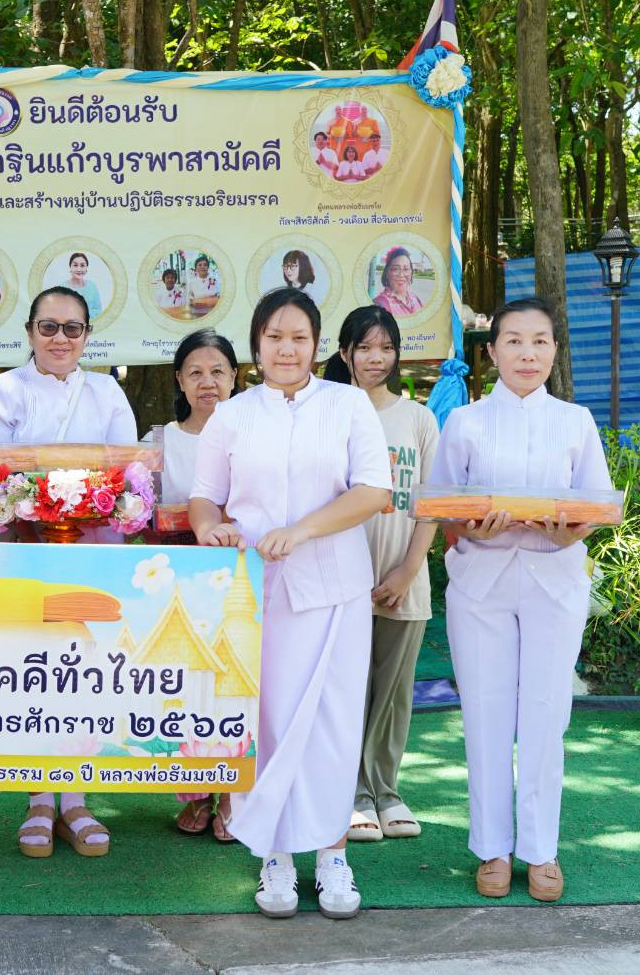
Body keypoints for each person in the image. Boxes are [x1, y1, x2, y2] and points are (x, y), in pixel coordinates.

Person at [189, 286, 391, 920]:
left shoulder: (348, 404)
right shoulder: (233, 415)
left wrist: (302, 531)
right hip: (256, 594)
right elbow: (204, 496)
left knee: (331, 724)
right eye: (274, 336)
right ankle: (273, 858)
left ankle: (333, 855)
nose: (286, 347)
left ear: (317, 345)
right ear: (256, 345)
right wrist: (209, 529)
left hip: (334, 589)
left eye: (298, 337)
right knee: (268, 722)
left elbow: (374, 492)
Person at [428, 297, 612, 904]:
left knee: (545, 713)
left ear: (555, 351)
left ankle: (541, 850)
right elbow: (445, 511)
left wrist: (571, 531)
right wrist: (469, 529)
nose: (527, 353)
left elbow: (596, 503)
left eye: (539, 341)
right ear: (492, 351)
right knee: (484, 714)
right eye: (513, 341)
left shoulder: (576, 420)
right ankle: (491, 849)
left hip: (554, 578)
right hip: (481, 580)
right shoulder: (466, 422)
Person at [0, 285, 137, 859]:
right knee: (33, 674)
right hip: (22, 551)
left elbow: (127, 475)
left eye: (72, 328)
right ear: (30, 333)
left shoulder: (109, 390)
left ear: (87, 335)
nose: (60, 339)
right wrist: (36, 503)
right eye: (48, 327)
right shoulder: (3, 388)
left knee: (81, 673)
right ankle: (40, 798)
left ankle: (76, 799)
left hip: (92, 554)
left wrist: (82, 500)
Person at [322, 306, 439, 845]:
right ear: (344, 352)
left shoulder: (417, 418)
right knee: (346, 688)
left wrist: (409, 569)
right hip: (339, 577)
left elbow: (430, 504)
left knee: (393, 693)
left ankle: (385, 791)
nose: (376, 358)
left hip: (402, 576)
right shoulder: (328, 411)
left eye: (386, 348)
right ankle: (348, 793)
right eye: (364, 348)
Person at [144, 329, 240, 840]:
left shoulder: (257, 434)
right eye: (196, 372)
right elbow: (138, 512)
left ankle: (232, 795)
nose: (208, 382)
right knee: (190, 689)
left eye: (218, 371)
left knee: (236, 684)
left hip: (243, 578)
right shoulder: (159, 442)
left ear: (235, 377)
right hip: (178, 583)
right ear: (179, 379)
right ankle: (197, 791)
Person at [372, 248, 424, 316]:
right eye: (395, 269)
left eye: (406, 269)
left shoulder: (415, 298)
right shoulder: (380, 304)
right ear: (387, 273)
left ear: (411, 272)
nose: (401, 275)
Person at [64, 251, 103, 318]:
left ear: (86, 268)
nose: (79, 269)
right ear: (70, 267)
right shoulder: (62, 287)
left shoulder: (92, 286)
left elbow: (98, 310)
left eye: (82, 265)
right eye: (75, 265)